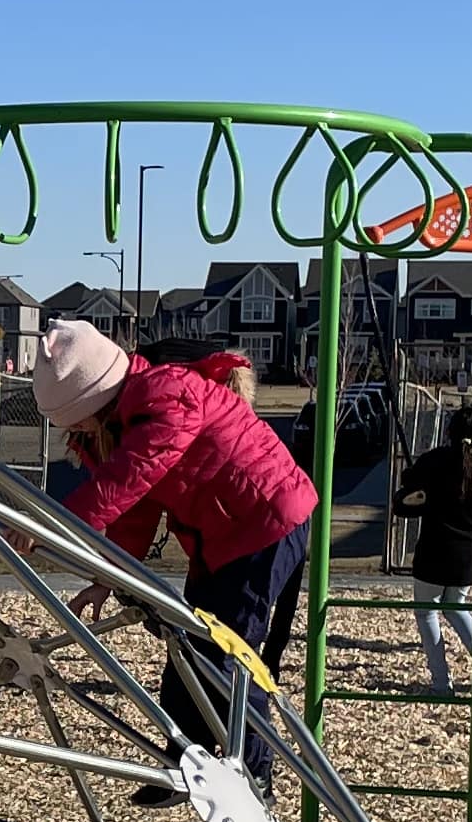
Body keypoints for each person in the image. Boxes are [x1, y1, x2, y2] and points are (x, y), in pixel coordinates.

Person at [30, 316, 318, 792]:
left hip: (264, 523)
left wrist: (50, 524)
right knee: (185, 641)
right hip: (220, 535)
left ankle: (252, 773)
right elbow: (135, 510)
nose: (75, 429)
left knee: (230, 654)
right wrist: (110, 576)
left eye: (74, 417)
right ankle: (186, 759)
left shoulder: (166, 395)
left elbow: (127, 481)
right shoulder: (120, 422)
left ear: (94, 397)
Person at [394, 405, 472, 694]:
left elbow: (406, 502)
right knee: (457, 608)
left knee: (427, 612)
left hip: (435, 551)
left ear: (449, 431)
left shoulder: (434, 461)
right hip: (469, 555)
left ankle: (441, 684)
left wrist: (410, 479)